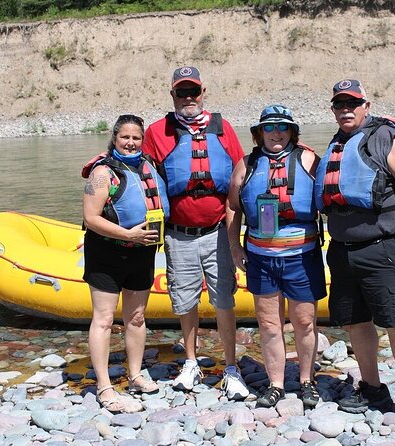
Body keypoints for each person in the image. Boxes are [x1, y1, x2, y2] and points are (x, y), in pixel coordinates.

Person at [314, 79, 395, 431]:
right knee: (356, 322)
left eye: (352, 102)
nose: (346, 109)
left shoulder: (387, 139)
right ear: (333, 109)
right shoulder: (338, 142)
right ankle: (373, 388)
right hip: (342, 251)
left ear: (366, 104)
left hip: (381, 249)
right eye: (339, 104)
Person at [142, 66, 249, 400]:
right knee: (184, 300)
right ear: (172, 95)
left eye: (194, 92)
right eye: (181, 93)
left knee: (223, 301)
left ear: (204, 93)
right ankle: (190, 361)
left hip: (218, 231)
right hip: (178, 234)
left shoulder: (223, 129)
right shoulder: (157, 132)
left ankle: (230, 366)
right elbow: (143, 178)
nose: (189, 98)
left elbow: (241, 175)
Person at [226, 105, 326, 409]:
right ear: (259, 134)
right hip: (261, 257)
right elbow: (233, 207)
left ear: (292, 131)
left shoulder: (309, 160)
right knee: (269, 324)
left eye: (282, 127)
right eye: (269, 128)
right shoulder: (246, 165)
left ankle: (307, 380)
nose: (276, 133)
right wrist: (234, 247)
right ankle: (276, 384)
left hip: (302, 256)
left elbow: (331, 199)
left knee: (305, 322)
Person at [82, 114, 167, 412]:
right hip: (106, 253)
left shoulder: (149, 167)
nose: (131, 143)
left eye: (136, 138)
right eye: (125, 137)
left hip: (141, 252)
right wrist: (127, 233)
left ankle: (135, 375)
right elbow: (91, 218)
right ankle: (104, 386)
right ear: (115, 138)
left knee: (137, 317)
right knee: (104, 319)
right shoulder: (102, 174)